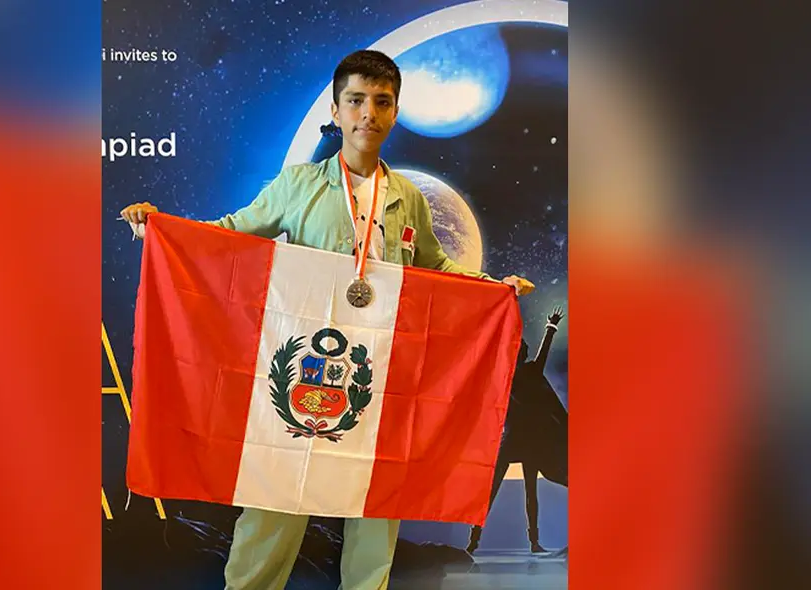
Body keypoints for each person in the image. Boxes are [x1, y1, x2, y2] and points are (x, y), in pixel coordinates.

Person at [120, 49, 534, 590]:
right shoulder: (299, 184)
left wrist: (493, 288)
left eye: (382, 102)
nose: (369, 113)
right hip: (304, 373)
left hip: (380, 377)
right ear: (336, 112)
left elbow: (435, 265)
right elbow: (229, 235)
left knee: (378, 503)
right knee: (277, 496)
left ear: (395, 111)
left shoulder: (408, 196)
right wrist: (161, 231)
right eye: (356, 100)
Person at [466, 307, 568, 555]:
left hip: (522, 440)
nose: (522, 350)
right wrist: (550, 328)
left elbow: (542, 352)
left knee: (526, 493)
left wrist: (550, 328)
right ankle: (474, 541)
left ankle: (528, 542)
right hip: (516, 440)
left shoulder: (511, 374)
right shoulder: (506, 375)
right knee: (498, 492)